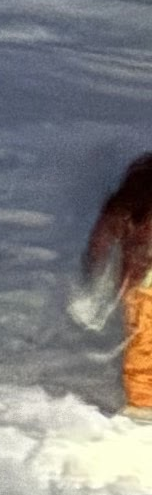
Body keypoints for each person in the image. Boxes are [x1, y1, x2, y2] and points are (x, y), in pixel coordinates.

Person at [71, 150, 152, 415]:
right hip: (141, 288)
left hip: (140, 286)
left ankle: (143, 405)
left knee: (143, 343)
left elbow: (99, 244)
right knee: (143, 343)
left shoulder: (122, 211)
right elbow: (100, 243)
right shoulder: (120, 214)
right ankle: (143, 407)